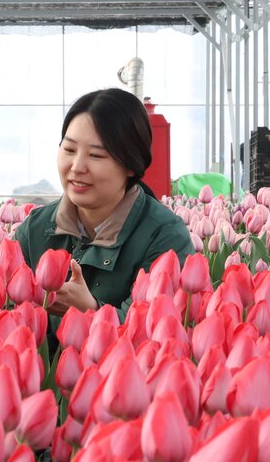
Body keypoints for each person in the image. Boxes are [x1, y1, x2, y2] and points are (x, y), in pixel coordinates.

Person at [15, 87, 194, 319]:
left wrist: (91, 312)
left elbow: (157, 328)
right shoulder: (35, 230)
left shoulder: (164, 235)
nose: (77, 167)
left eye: (96, 155)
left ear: (131, 164)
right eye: (69, 149)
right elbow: (5, 315)